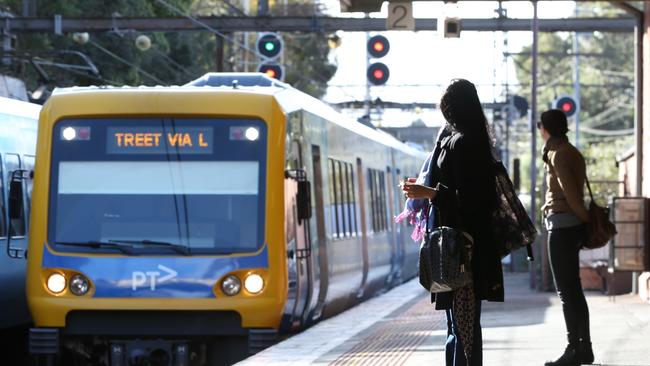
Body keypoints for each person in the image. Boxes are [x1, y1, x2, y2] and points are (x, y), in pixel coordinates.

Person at [398, 79, 503, 366]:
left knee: (462, 327)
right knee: (458, 326)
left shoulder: (466, 143)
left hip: (463, 251)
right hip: (453, 246)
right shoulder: (462, 140)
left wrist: (428, 193)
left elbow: (472, 199)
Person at [538, 109, 594, 366]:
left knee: (567, 292)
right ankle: (584, 348)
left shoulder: (560, 154)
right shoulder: (567, 151)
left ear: (546, 128)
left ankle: (574, 349)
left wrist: (585, 222)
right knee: (574, 290)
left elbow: (571, 196)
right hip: (567, 226)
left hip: (562, 228)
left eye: (540, 126)